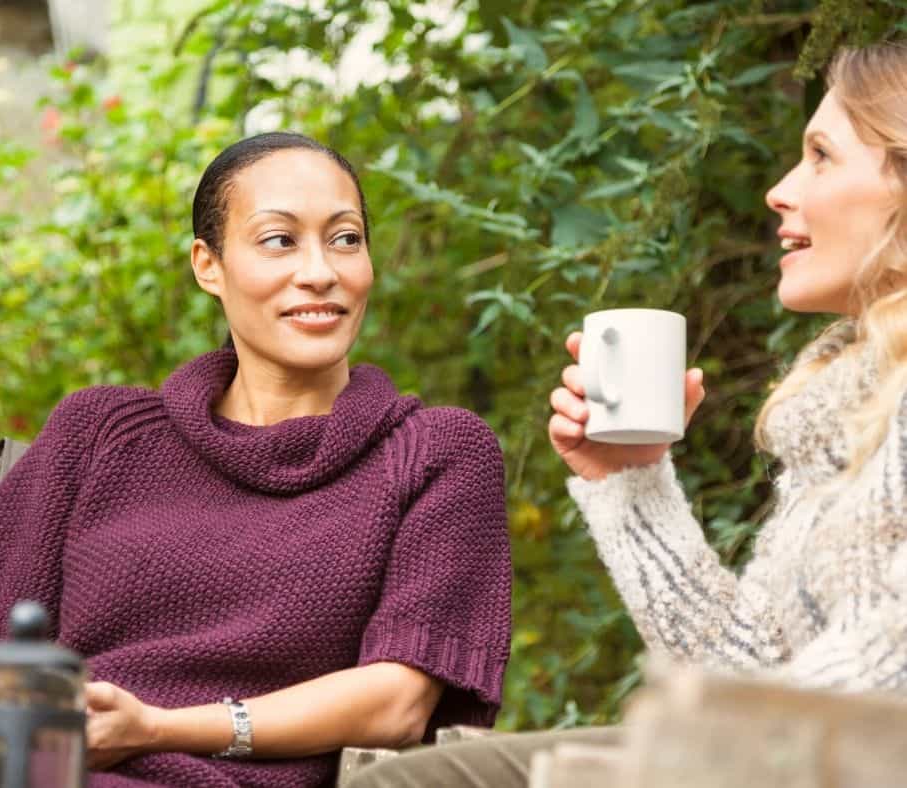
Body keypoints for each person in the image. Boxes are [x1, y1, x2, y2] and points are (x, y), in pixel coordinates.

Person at [348, 40, 907, 788]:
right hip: (794, 756)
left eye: (821, 156)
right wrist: (633, 483)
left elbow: (882, 665)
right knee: (420, 774)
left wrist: (701, 749)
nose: (780, 188)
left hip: (830, 761)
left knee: (415, 783)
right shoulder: (849, 413)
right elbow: (749, 666)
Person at [0, 132, 512, 788]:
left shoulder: (437, 453)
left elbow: (397, 703)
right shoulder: (100, 432)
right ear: (209, 265)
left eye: (345, 238)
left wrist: (161, 728)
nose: (321, 271)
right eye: (280, 240)